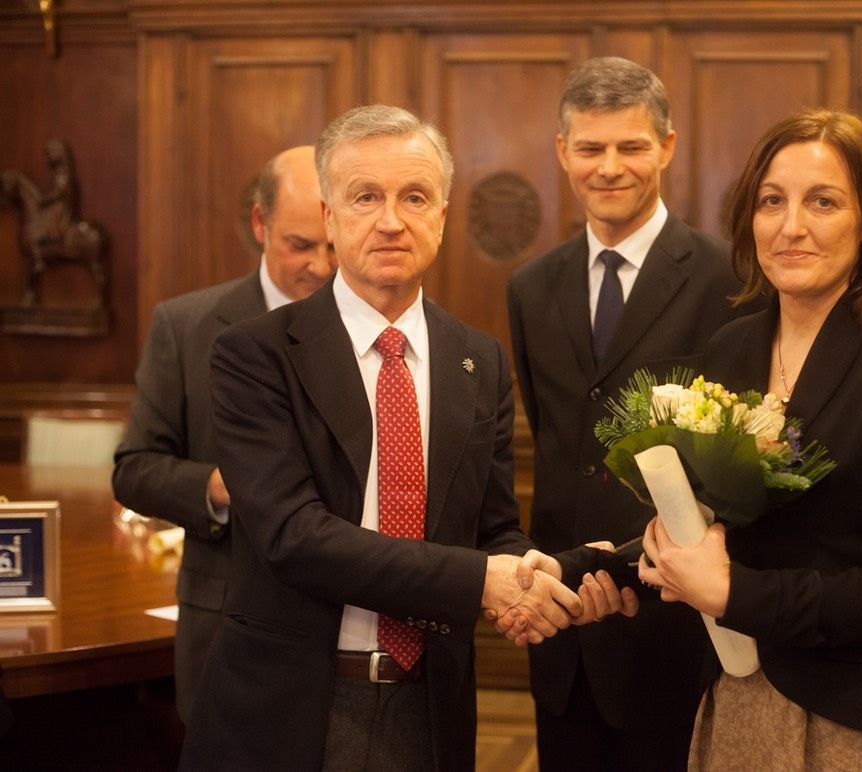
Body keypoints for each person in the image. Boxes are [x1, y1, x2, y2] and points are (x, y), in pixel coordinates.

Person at [179, 104, 633, 771]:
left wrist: (549, 579)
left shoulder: (478, 359)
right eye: (367, 197)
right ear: (331, 218)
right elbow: (293, 538)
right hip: (288, 712)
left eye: (414, 197)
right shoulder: (255, 354)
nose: (392, 220)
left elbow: (493, 529)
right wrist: (484, 581)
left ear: (443, 216)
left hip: (432, 711)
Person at [639, 108, 862, 769]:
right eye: (772, 201)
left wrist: (731, 593)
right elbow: (710, 530)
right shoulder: (730, 348)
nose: (791, 225)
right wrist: (603, 565)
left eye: (822, 201)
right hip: (741, 697)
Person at [506, 56, 748, 770]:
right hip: (564, 627)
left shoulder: (729, 279)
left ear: (667, 147)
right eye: (590, 148)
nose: (610, 167)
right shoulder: (530, 287)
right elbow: (558, 444)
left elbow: (733, 469)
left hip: (674, 628)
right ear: (563, 154)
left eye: (632, 146)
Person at [112, 144, 334, 724]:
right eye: (300, 245)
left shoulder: (381, 330)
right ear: (261, 225)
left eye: (333, 244)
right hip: (225, 625)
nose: (322, 265)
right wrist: (218, 485)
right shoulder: (185, 326)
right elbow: (134, 467)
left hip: (346, 629)